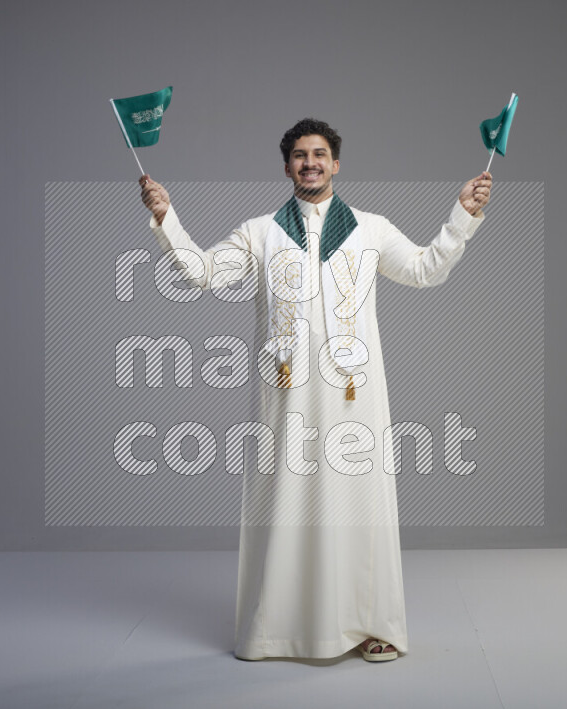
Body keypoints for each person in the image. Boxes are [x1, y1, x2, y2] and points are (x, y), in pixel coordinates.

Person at [140, 118, 491, 662]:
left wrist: (463, 215)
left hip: (356, 395)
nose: (310, 162)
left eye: (320, 154)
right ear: (287, 167)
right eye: (300, 155)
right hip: (286, 397)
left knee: (360, 504)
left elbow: (425, 269)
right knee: (285, 504)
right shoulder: (260, 232)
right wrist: (167, 218)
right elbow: (200, 273)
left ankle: (373, 626)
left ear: (336, 163)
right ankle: (275, 629)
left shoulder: (370, 229)